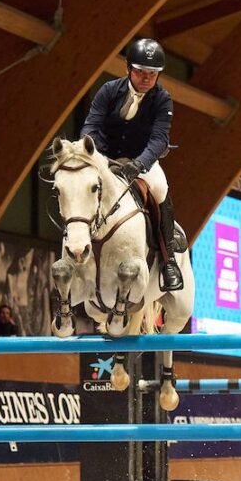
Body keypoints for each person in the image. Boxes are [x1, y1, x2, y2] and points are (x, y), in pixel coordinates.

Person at [80, 37, 183, 291]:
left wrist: (140, 164)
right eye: (140, 72)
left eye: (152, 73)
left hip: (142, 159)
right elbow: (92, 125)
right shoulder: (108, 90)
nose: (146, 78)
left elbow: (159, 138)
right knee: (78, 185)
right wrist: (90, 151)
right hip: (106, 157)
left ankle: (169, 261)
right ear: (129, 69)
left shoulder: (162, 100)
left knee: (160, 190)